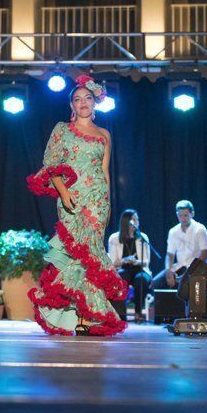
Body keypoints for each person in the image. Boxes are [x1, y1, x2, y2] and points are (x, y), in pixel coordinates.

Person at [26, 74, 127, 336]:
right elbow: (50, 164)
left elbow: (105, 172)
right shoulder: (62, 130)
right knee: (74, 255)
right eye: (77, 99)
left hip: (97, 202)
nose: (83, 102)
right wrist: (63, 192)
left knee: (91, 256)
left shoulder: (105, 134)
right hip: (72, 198)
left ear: (95, 103)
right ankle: (77, 313)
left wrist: (107, 206)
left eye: (88, 98)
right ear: (72, 106)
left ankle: (86, 315)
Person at [151, 200, 207, 290]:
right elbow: (170, 254)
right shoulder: (173, 231)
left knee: (185, 283)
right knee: (156, 283)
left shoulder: (200, 229)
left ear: (192, 214)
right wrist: (168, 270)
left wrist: (187, 274)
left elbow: (205, 254)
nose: (183, 219)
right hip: (181, 266)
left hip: (197, 267)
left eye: (186, 215)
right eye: (180, 215)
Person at [107, 209, 152, 322]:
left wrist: (136, 262)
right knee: (121, 278)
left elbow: (146, 261)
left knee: (141, 280)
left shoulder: (142, 238)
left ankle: (138, 312)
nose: (137, 223)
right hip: (122, 268)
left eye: (137, 220)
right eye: (134, 220)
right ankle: (121, 313)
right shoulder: (114, 238)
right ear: (126, 222)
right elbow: (112, 262)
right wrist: (125, 260)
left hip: (140, 269)